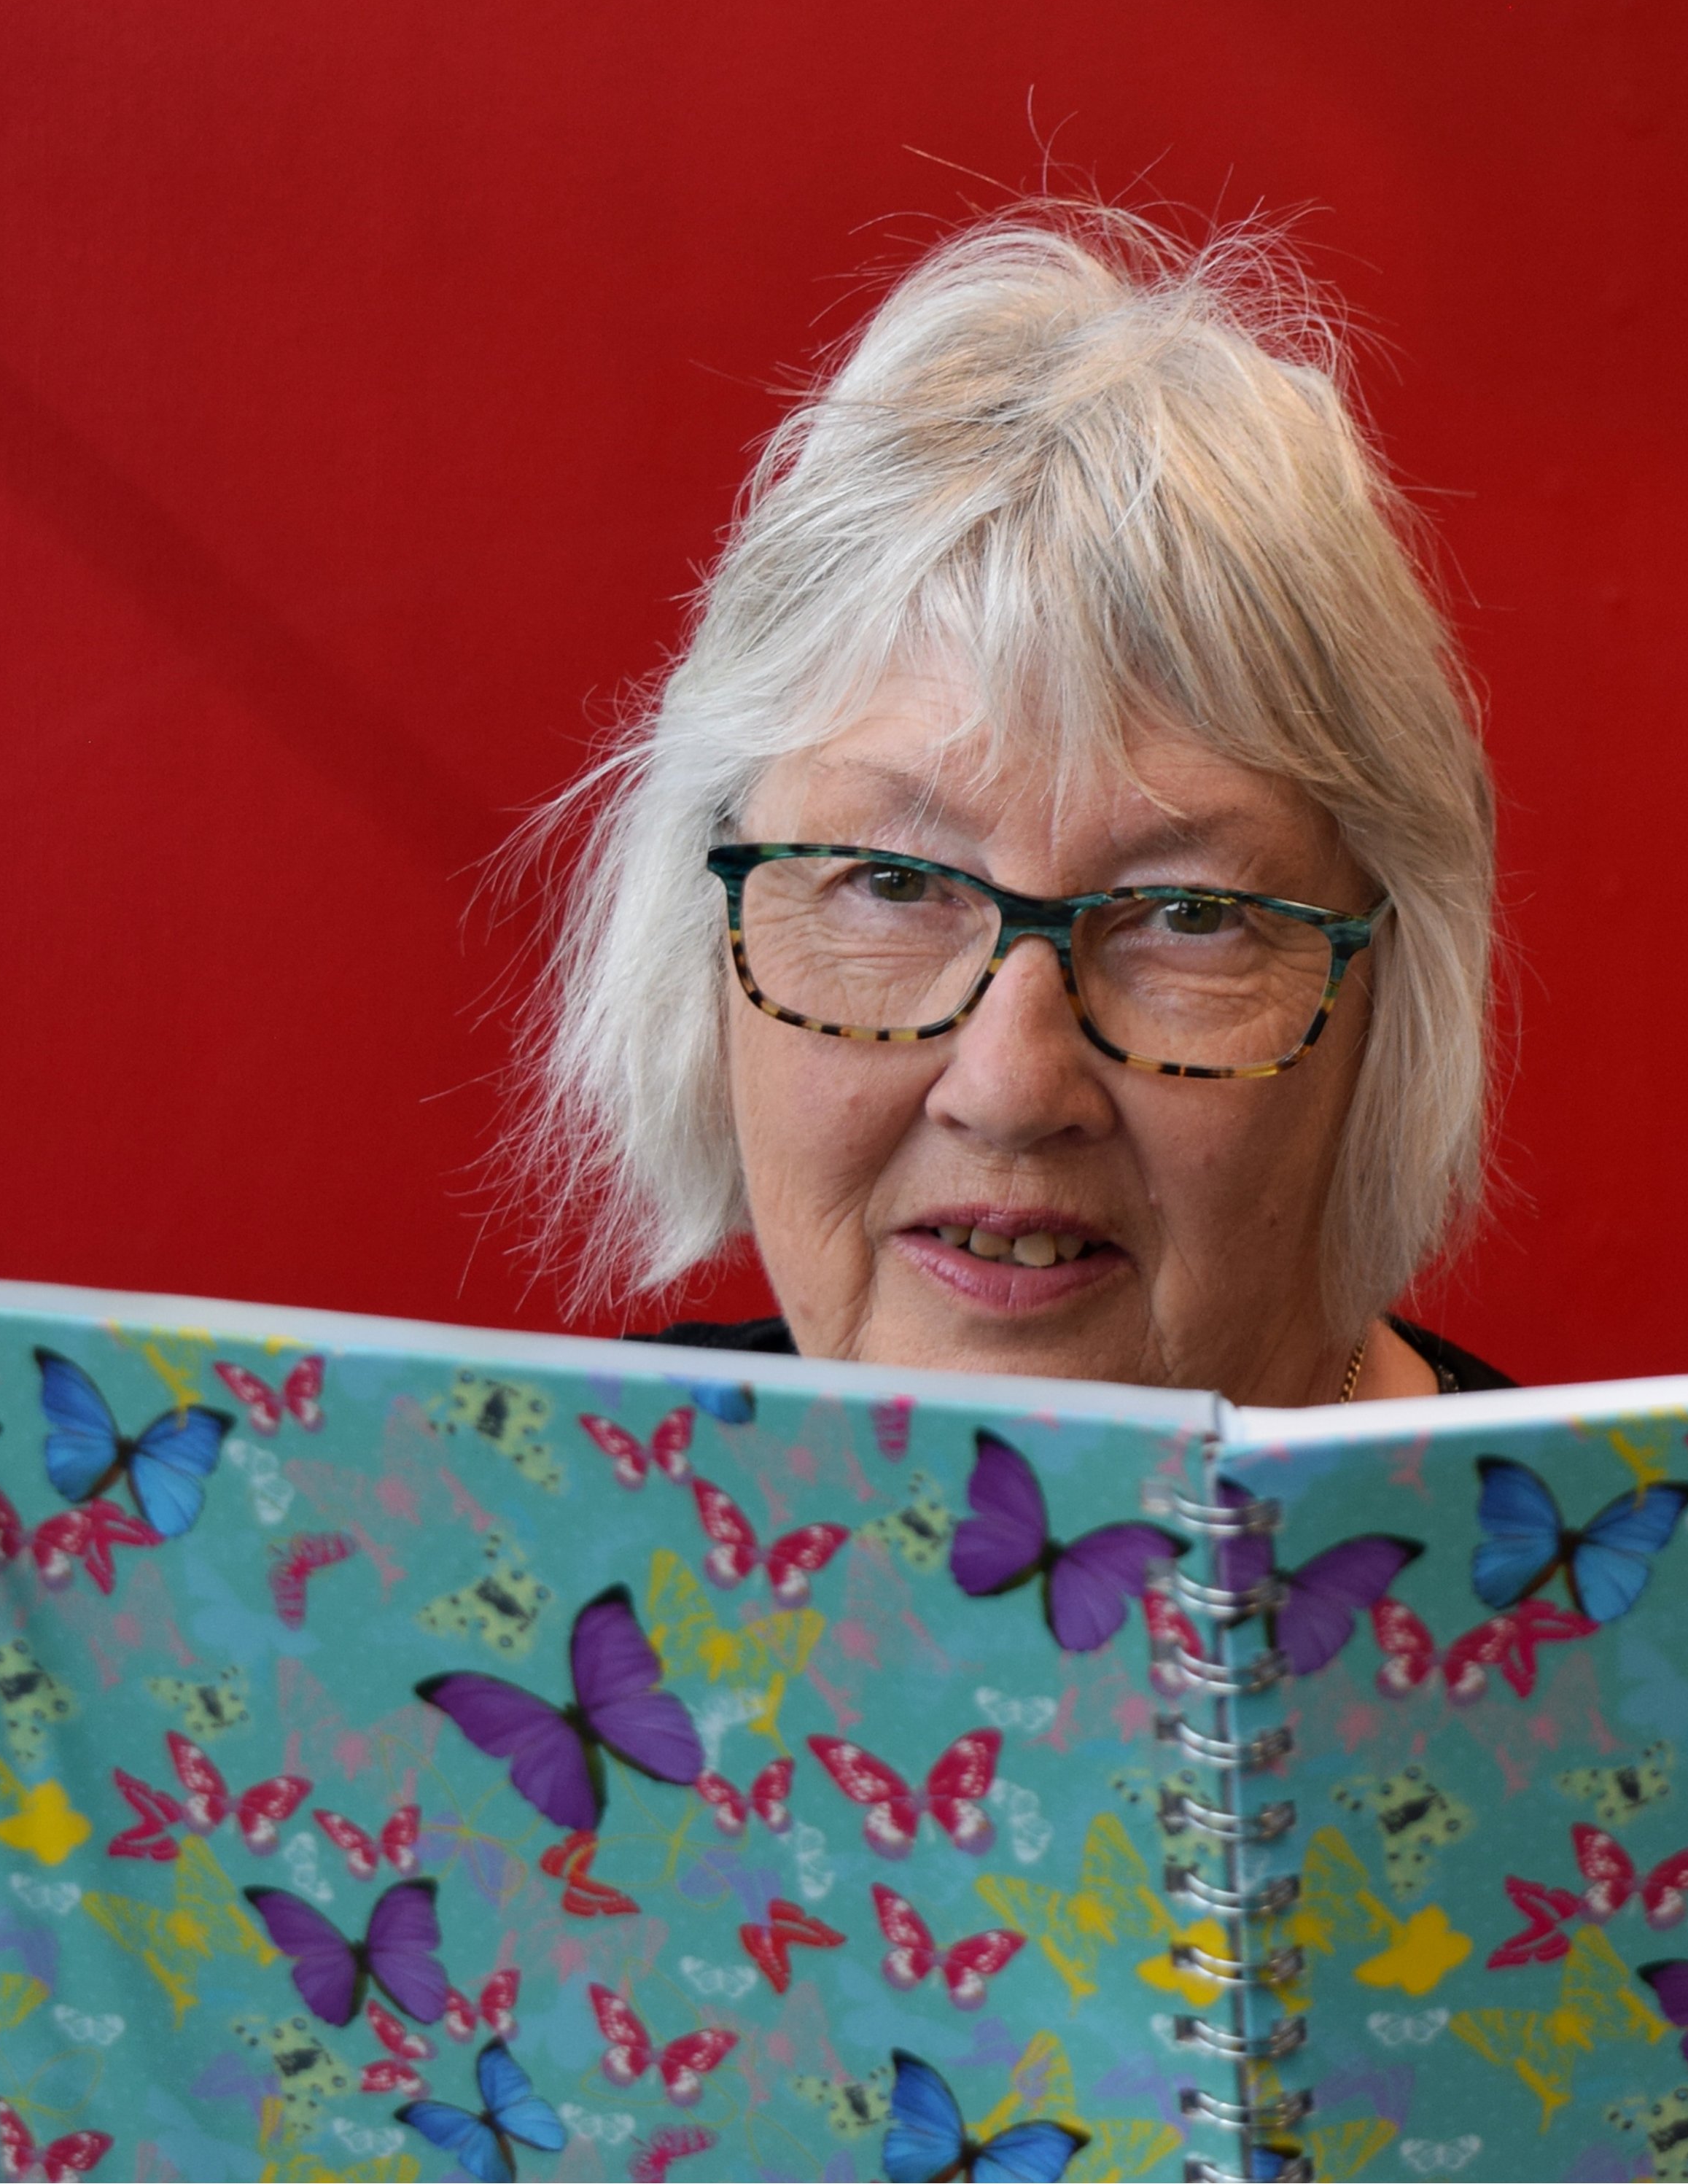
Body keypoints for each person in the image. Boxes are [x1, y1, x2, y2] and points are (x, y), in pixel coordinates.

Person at [524, 212, 1506, 1399]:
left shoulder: (1591, 1582)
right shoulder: (523, 1546)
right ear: (700, 953)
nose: (1010, 1091)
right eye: (890, 884)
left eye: (1187, 915)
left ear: (1389, 1007)